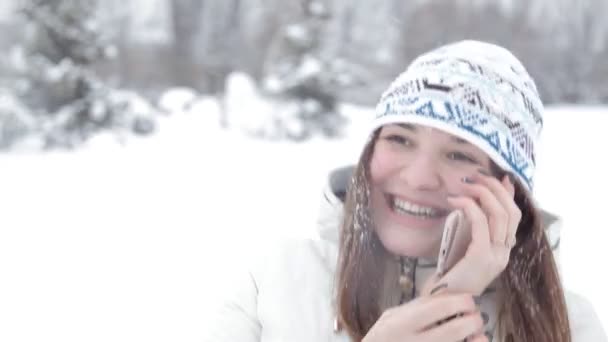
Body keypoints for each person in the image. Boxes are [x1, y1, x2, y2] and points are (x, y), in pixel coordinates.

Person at [203, 40, 607, 342]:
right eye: (400, 139)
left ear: (508, 191)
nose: (417, 178)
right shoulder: (276, 280)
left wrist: (456, 289)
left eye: (459, 155)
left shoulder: (569, 324)